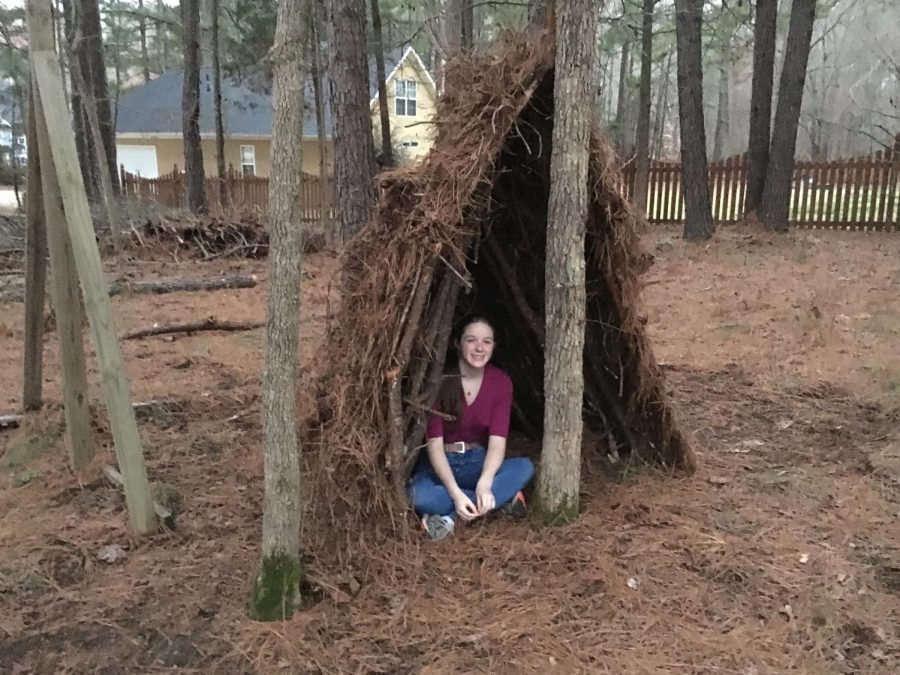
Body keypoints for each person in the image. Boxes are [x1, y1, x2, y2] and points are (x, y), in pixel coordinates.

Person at [407, 316, 535, 540]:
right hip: (441, 465)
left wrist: (485, 483)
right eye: (471, 340)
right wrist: (456, 495)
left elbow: (497, 442)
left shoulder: (500, 382)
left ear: (494, 346)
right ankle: (496, 501)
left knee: (524, 468)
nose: (479, 348)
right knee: (417, 495)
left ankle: (447, 518)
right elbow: (435, 446)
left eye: (487, 341)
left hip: (477, 462)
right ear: (457, 343)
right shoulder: (440, 380)